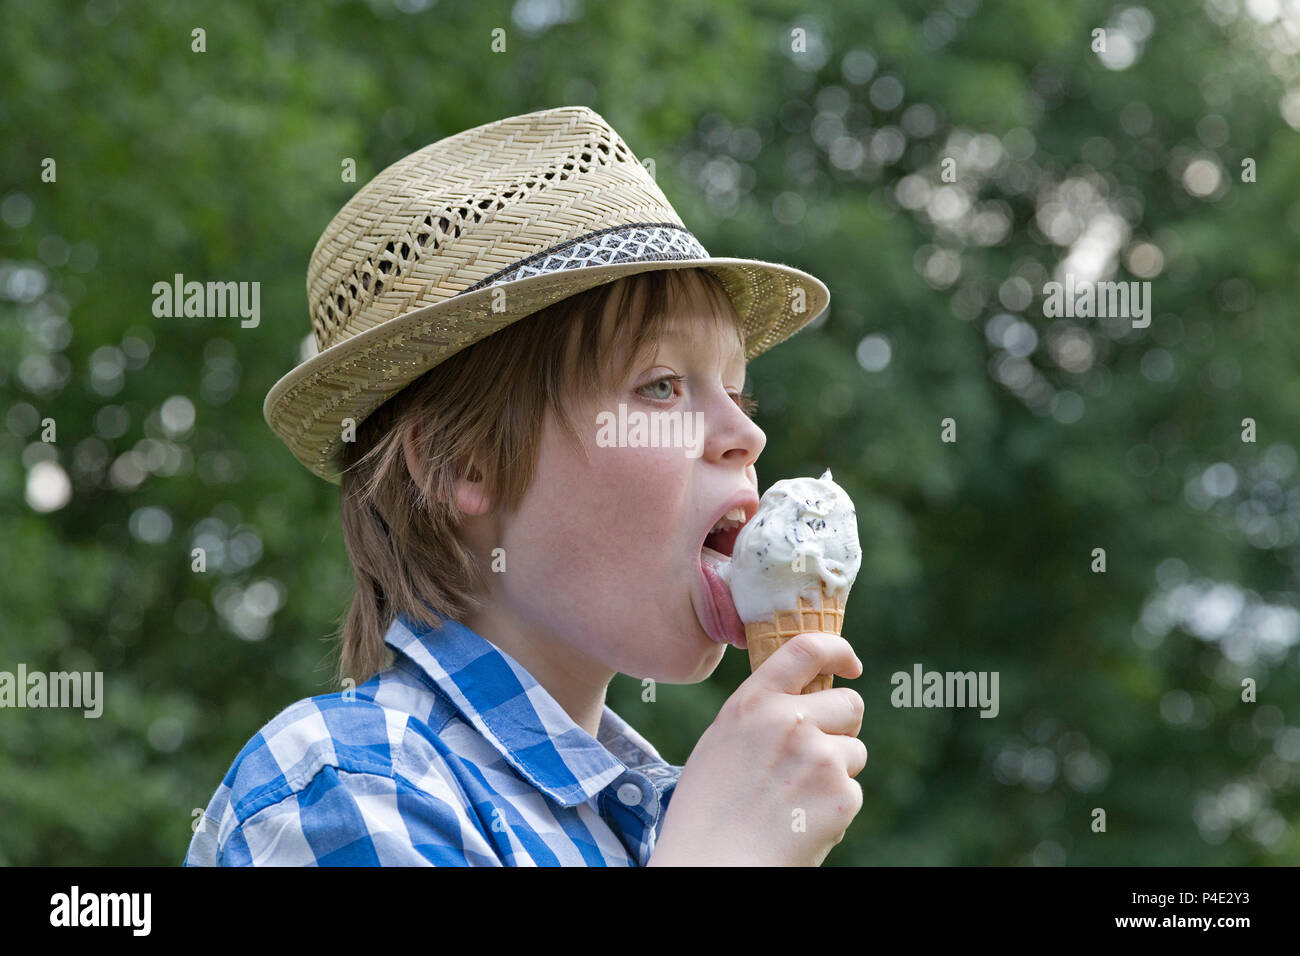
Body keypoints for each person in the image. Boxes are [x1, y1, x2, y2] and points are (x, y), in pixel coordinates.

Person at [184, 106, 866, 867]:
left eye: (739, 394)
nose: (747, 435)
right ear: (464, 465)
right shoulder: (349, 784)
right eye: (664, 386)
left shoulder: (662, 824)